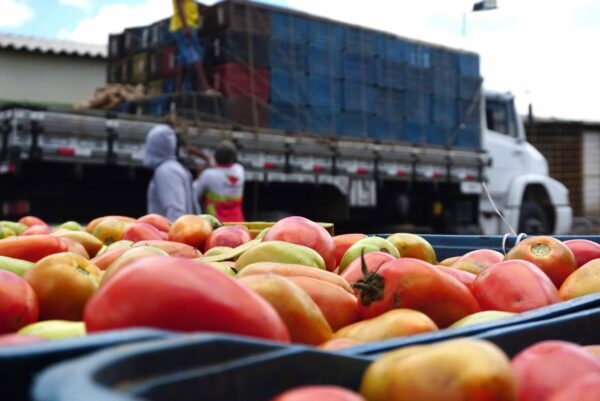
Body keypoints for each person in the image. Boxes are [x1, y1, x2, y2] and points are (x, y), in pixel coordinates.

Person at [143, 124, 201, 221]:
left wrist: (172, 235)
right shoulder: (173, 168)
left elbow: (176, 210)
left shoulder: (166, 171)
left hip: (165, 234)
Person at [170, 0, 220, 96]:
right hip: (185, 25)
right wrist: (185, 26)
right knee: (195, 53)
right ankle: (205, 87)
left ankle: (177, 89)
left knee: (183, 58)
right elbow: (179, 4)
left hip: (188, 24)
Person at [193, 140, 245, 222]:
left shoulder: (208, 175)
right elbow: (223, 170)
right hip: (238, 223)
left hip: (216, 224)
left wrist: (199, 175)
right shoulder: (239, 170)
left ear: (215, 156)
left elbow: (193, 194)